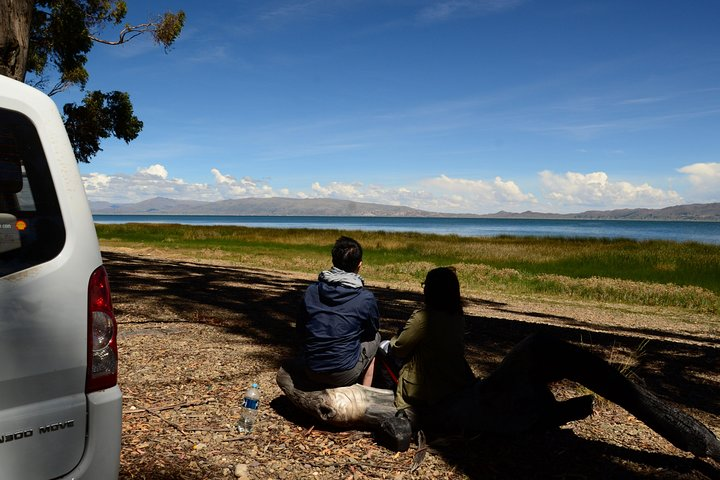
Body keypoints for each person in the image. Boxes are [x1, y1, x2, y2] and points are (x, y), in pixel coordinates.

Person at [297, 236, 381, 388]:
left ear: (333, 262)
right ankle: (364, 392)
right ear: (359, 265)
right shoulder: (365, 298)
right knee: (375, 338)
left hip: (311, 368)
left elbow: (301, 329)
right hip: (343, 374)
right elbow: (372, 329)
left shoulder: (311, 291)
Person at [389, 266, 475, 410]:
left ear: (430, 290)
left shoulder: (423, 317)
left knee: (383, 349)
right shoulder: (457, 316)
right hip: (452, 383)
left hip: (422, 390)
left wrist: (393, 339)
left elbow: (400, 349)